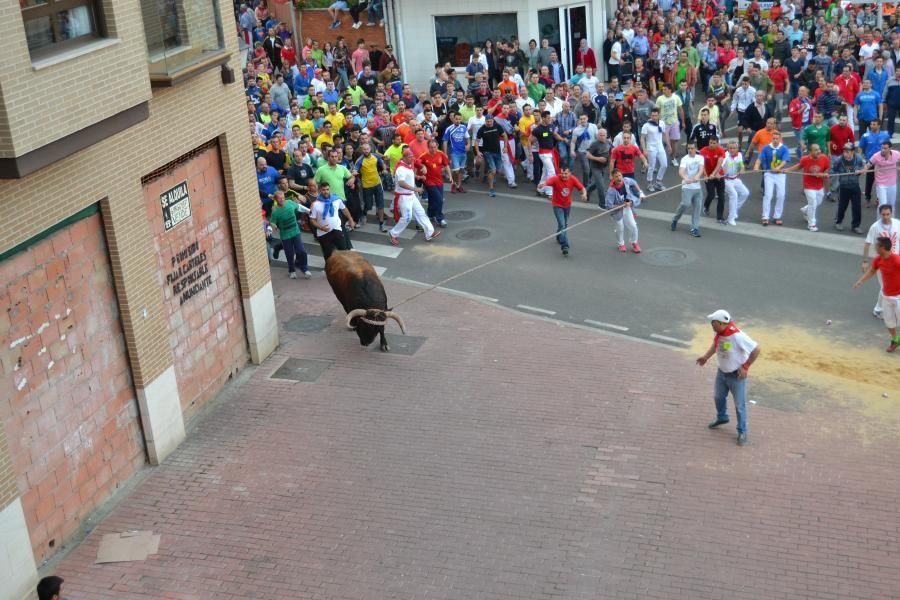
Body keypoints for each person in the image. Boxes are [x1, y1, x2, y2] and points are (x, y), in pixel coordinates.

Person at [696, 309, 761, 447]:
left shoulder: (737, 336)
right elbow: (716, 344)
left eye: (713, 323)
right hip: (722, 373)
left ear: (721, 323)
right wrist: (706, 357)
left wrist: (745, 367)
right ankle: (722, 417)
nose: (711, 325)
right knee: (718, 397)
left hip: (736, 377)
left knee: (739, 406)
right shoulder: (719, 333)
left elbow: (756, 349)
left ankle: (742, 431)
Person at [854, 237, 900, 352]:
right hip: (886, 296)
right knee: (889, 322)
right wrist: (861, 281)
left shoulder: (896, 260)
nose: (875, 248)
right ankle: (896, 340)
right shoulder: (878, 259)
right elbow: (872, 271)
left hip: (899, 296)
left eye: (877, 246)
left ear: (883, 248)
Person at [389, 148, 441, 245]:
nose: (412, 159)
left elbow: (410, 176)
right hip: (404, 197)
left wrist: (419, 177)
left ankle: (430, 232)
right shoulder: (400, 169)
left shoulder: (408, 165)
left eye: (412, 156)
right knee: (407, 218)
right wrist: (415, 189)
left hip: (411, 195)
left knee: (421, 212)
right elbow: (401, 183)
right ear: (404, 157)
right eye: (410, 157)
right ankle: (393, 234)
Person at [540, 167, 588, 256]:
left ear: (570, 173)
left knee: (563, 224)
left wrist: (584, 194)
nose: (563, 175)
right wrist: (543, 184)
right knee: (563, 225)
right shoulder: (556, 178)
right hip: (557, 205)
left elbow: (582, 188)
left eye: (566, 173)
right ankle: (565, 246)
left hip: (567, 205)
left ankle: (559, 236)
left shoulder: (573, 179)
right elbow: (548, 182)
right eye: (562, 173)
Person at [863, 205, 900, 319]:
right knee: (885, 286)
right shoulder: (875, 227)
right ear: (880, 214)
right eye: (883, 214)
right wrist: (865, 261)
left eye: (888, 214)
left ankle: (882, 308)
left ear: (891, 213)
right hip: (882, 262)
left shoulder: (897, 224)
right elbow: (867, 243)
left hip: (895, 260)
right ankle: (879, 309)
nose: (885, 216)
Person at [786, 143, 830, 232]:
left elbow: (827, 168)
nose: (819, 151)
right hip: (809, 186)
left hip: (819, 186)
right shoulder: (805, 159)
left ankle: (806, 210)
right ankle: (811, 224)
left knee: (818, 202)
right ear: (811, 152)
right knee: (813, 204)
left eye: (819, 149)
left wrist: (824, 174)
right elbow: (798, 166)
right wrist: (787, 170)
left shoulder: (824, 158)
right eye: (816, 150)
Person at [269, 190, 311, 279]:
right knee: (290, 253)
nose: (282, 200)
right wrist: (273, 226)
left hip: (295, 231)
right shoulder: (275, 211)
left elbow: (298, 207)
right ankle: (292, 270)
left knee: (301, 251)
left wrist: (309, 211)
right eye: (279, 199)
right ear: (276, 200)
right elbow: (272, 222)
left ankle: (304, 268)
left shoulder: (290, 203)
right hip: (285, 235)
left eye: (283, 198)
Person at [309, 182, 356, 260]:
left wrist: (350, 219)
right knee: (328, 255)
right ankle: (329, 269)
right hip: (323, 233)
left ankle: (344, 268)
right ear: (320, 190)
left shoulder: (336, 199)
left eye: (327, 189)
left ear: (329, 189)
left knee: (343, 251)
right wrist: (321, 227)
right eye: (323, 190)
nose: (326, 191)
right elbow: (312, 220)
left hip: (337, 229)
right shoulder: (315, 204)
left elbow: (344, 209)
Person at [754, 130, 790, 226]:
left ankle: (777, 216)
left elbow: (785, 160)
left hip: (780, 174)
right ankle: (765, 217)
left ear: (780, 139)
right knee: (768, 195)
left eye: (777, 138)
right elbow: (759, 158)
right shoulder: (766, 148)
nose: (775, 140)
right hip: (769, 173)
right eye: (773, 138)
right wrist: (756, 166)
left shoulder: (784, 148)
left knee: (781, 195)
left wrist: (778, 168)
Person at [605, 169, 645, 253]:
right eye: (616, 177)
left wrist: (640, 192)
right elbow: (609, 206)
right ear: (613, 178)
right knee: (620, 227)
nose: (619, 178)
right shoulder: (611, 191)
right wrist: (621, 205)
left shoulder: (626, 181)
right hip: (617, 211)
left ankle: (634, 242)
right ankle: (621, 244)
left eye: (620, 176)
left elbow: (634, 182)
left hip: (627, 207)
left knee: (633, 226)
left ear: (622, 176)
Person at [671, 141, 706, 237]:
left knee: (697, 208)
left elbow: (701, 169)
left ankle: (694, 228)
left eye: (692, 148)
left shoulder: (700, 158)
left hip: (697, 187)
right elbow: (681, 171)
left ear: (696, 149)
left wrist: (697, 176)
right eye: (688, 148)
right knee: (685, 204)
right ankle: (675, 219)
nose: (690, 150)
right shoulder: (684, 159)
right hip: (687, 186)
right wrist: (686, 178)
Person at [353, 142, 389, 231]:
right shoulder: (360, 160)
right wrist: (354, 173)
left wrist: (384, 169)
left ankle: (381, 224)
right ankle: (364, 213)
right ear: (362, 150)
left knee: (380, 204)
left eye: (367, 149)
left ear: (370, 149)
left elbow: (382, 163)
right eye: (364, 149)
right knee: (369, 205)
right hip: (367, 186)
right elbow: (355, 169)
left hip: (377, 184)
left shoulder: (376, 156)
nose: (366, 151)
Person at [831, 143, 866, 233]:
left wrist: (860, 171)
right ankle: (838, 222)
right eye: (844, 151)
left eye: (848, 152)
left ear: (853, 152)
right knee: (842, 206)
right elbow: (833, 170)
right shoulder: (839, 160)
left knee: (857, 207)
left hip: (855, 186)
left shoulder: (858, 158)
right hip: (843, 187)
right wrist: (827, 174)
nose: (845, 154)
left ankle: (856, 226)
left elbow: (864, 168)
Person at [418, 138, 452, 225]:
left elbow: (446, 165)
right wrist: (422, 167)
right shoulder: (424, 155)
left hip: (439, 181)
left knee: (433, 199)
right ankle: (440, 218)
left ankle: (430, 214)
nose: (433, 149)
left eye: (434, 147)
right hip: (428, 182)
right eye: (431, 147)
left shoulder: (441, 154)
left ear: (437, 146)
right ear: (428, 147)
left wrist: (450, 176)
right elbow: (416, 163)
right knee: (440, 200)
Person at [640, 108, 671, 192]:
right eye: (652, 115)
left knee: (664, 164)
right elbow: (642, 138)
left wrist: (668, 145)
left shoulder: (662, 123)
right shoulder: (646, 125)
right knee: (652, 167)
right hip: (651, 148)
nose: (654, 117)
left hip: (660, 147)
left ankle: (658, 181)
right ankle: (649, 183)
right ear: (650, 115)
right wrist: (644, 149)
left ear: (659, 115)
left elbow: (664, 135)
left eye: (655, 115)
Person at [475, 114, 506, 198]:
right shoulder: (482, 129)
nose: (489, 123)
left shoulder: (497, 126)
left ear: (493, 120)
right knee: (493, 170)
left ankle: (488, 175)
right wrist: (478, 151)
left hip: (497, 152)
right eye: (487, 121)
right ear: (485, 121)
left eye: (490, 121)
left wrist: (505, 147)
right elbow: (477, 141)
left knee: (498, 170)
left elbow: (505, 135)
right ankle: (491, 189)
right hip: (487, 152)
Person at [722, 141, 750, 226]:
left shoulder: (739, 155)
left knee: (745, 193)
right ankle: (730, 218)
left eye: (734, 148)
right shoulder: (725, 156)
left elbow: (741, 166)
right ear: (727, 148)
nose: (732, 150)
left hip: (735, 179)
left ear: (737, 148)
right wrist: (723, 172)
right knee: (734, 195)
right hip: (726, 180)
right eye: (730, 148)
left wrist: (742, 169)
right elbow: (721, 167)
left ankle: (734, 211)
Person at [701, 136, 727, 223]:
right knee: (711, 194)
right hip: (708, 176)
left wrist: (715, 174)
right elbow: (702, 165)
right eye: (710, 142)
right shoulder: (703, 151)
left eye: (714, 143)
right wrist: (705, 175)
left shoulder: (720, 150)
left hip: (719, 175)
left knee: (721, 197)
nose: (711, 145)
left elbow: (719, 164)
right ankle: (706, 206)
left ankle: (719, 217)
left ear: (717, 143)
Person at [442, 111, 470, 193]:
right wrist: (445, 154)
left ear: (461, 119)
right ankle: (453, 184)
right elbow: (445, 141)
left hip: (463, 152)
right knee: (456, 170)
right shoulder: (449, 129)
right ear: (453, 119)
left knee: (461, 170)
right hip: (454, 152)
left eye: (459, 119)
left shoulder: (464, 127)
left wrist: (468, 145)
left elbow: (468, 138)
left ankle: (459, 185)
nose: (457, 120)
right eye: (456, 119)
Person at [868, 141, 900, 210]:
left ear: (890, 148)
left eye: (885, 148)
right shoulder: (876, 156)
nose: (883, 150)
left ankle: (891, 220)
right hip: (881, 184)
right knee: (883, 205)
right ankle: (880, 220)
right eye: (882, 148)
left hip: (892, 183)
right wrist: (863, 170)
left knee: (892, 204)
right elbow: (868, 164)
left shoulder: (896, 154)